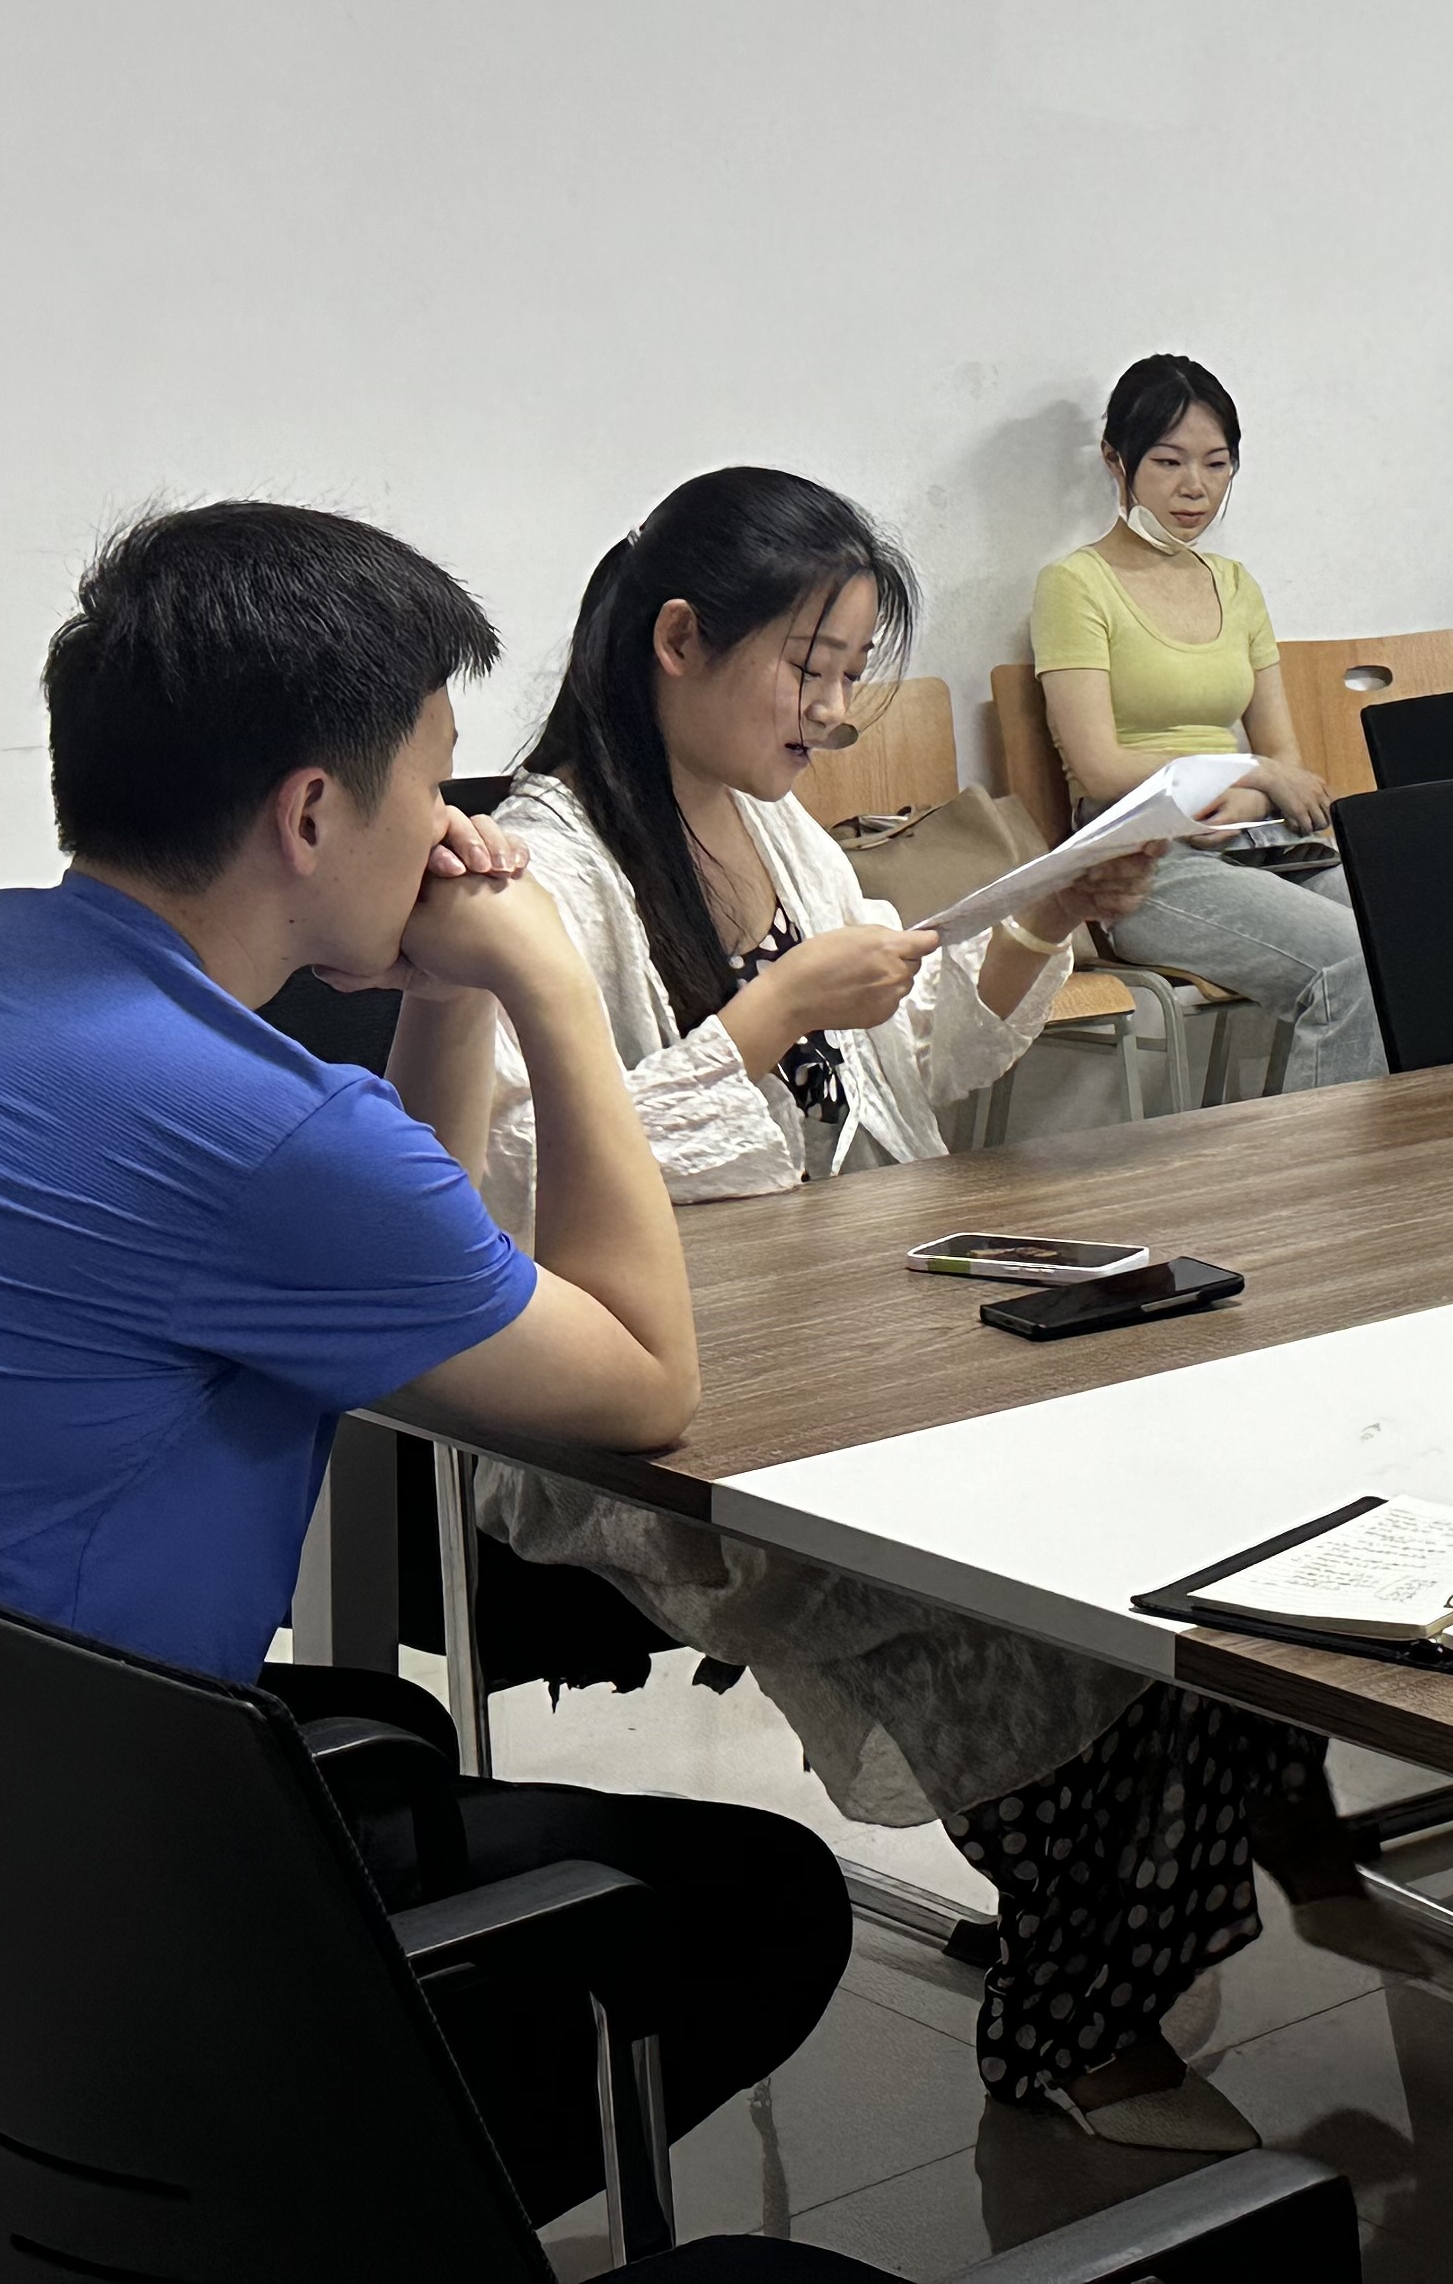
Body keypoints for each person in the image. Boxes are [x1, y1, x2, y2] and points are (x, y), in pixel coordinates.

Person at [0, 503, 845, 2228]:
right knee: (758, 1902)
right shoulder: (253, 1127)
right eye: (437, 782)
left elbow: (412, 1267)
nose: (456, 832)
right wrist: (544, 979)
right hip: (78, 1965)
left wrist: (442, 1001)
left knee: (389, 1746)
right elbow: (642, 1379)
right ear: (311, 812)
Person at [474, 467, 1366, 2153]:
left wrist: (1039, 918)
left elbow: (921, 1057)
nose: (831, 713)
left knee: (1192, 1498)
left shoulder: (777, 828)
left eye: (849, 673)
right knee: (1030, 1595)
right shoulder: (548, 864)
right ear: (678, 639)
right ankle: (1079, 2014)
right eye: (808, 668)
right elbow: (515, 1178)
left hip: (858, 1314)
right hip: (659, 1391)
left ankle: (1139, 1918)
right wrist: (760, 1025)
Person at [1037, 354, 1383, 1088]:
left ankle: (1415, 1149)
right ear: (1116, 460)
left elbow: (1286, 760)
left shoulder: (1235, 584)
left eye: (1217, 464)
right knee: (1351, 962)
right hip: (1143, 859)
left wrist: (1254, 796)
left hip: (1261, 839)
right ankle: (1323, 1167)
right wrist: (1249, 773)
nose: (1194, 487)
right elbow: (1099, 767)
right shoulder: (1075, 584)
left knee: (1421, 934)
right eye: (1168, 462)